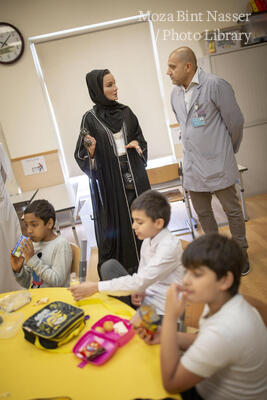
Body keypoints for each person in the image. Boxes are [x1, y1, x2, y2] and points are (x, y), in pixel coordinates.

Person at [136, 234, 267, 400]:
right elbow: (205, 340)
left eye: (196, 274)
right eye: (186, 272)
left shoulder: (225, 330)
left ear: (225, 280)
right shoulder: (224, 301)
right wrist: (167, 335)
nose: (185, 280)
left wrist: (170, 317)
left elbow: (171, 383)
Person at [167, 46, 250, 275]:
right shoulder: (175, 95)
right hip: (193, 167)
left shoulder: (215, 85)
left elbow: (236, 122)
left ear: (188, 66)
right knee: (203, 214)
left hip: (218, 163)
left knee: (232, 211)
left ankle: (240, 253)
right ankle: (217, 257)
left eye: (172, 67)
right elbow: (186, 128)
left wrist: (228, 151)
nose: (168, 72)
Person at [74, 69, 150, 277]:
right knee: (123, 231)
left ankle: (152, 272)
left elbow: (140, 140)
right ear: (97, 90)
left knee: (145, 224)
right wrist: (90, 152)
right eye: (109, 85)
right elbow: (82, 156)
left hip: (136, 182)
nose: (115, 88)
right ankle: (127, 277)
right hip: (112, 189)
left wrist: (138, 145)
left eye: (114, 83)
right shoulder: (89, 119)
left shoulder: (126, 112)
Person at [69, 190, 184, 317]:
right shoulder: (148, 238)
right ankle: (129, 314)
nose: (133, 226)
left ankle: (132, 317)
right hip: (147, 297)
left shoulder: (169, 247)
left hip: (164, 310)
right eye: (133, 221)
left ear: (158, 223)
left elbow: (141, 280)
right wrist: (140, 290)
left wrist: (95, 287)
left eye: (139, 222)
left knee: (125, 328)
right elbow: (143, 273)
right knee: (109, 266)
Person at [10, 199, 72, 288]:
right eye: (26, 225)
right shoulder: (33, 245)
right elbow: (29, 284)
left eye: (34, 225)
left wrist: (32, 260)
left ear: (49, 223)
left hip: (55, 298)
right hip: (37, 298)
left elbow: (58, 281)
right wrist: (18, 271)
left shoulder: (61, 245)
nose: (29, 230)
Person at [0, 144, 23, 293]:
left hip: (2, 206)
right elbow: (4, 173)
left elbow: (4, 172)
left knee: (12, 248)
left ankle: (20, 284)